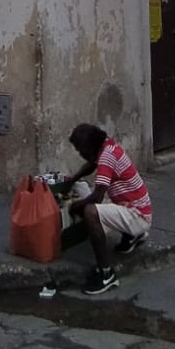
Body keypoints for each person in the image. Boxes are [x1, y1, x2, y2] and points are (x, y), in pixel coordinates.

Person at [64, 123, 152, 295]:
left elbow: (96, 198)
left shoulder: (106, 158)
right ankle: (133, 235)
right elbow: (91, 164)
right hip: (134, 208)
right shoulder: (107, 146)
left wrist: (75, 206)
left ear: (89, 146)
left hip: (138, 215)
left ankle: (106, 273)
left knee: (90, 212)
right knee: (81, 187)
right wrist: (73, 179)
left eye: (80, 150)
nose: (80, 154)